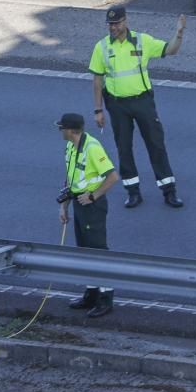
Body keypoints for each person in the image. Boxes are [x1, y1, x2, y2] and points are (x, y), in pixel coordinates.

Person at [90, 5, 186, 209]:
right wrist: (98, 110)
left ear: (125, 21)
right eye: (110, 24)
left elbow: (171, 50)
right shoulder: (102, 47)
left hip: (143, 102)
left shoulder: (143, 41)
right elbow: (97, 79)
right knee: (124, 148)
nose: (113, 27)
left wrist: (178, 34)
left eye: (116, 23)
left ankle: (169, 191)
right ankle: (133, 192)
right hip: (117, 105)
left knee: (156, 144)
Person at [56, 113, 119, 318]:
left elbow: (113, 176)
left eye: (61, 128)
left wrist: (93, 196)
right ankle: (91, 293)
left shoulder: (92, 148)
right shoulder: (70, 146)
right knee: (85, 250)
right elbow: (70, 177)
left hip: (92, 206)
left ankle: (106, 297)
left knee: (98, 250)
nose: (60, 131)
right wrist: (64, 206)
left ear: (71, 130)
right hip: (78, 203)